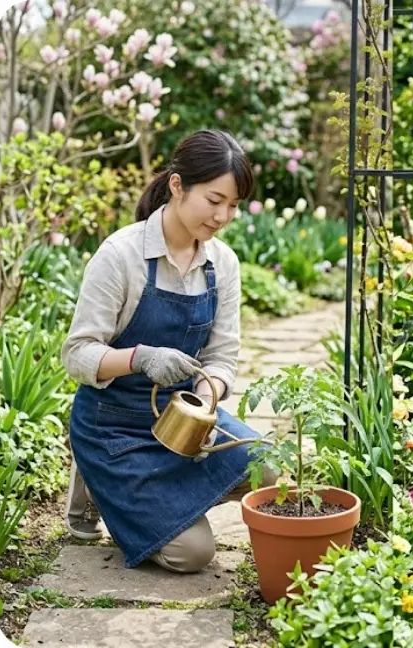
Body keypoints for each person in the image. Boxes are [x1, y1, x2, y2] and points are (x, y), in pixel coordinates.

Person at [61, 130, 278, 573]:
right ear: (178, 186)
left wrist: (205, 409)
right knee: (192, 554)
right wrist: (141, 357)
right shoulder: (121, 255)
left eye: (233, 205)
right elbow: (77, 354)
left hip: (180, 418)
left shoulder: (224, 263)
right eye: (214, 200)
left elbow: (221, 357)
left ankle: (154, 500)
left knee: (266, 468)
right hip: (113, 426)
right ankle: (100, 481)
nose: (223, 216)